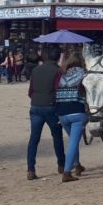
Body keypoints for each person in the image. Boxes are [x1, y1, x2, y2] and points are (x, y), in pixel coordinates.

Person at [27, 46, 66, 180]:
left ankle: (30, 169)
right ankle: (61, 165)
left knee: (34, 138)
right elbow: (58, 90)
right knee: (57, 136)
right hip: (51, 107)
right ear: (59, 57)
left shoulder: (36, 70)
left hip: (36, 105)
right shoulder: (58, 71)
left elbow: (30, 91)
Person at [56, 52, 87, 182]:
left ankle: (77, 165)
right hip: (77, 112)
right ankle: (67, 172)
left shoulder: (62, 76)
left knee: (73, 141)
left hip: (62, 113)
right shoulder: (85, 75)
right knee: (73, 142)